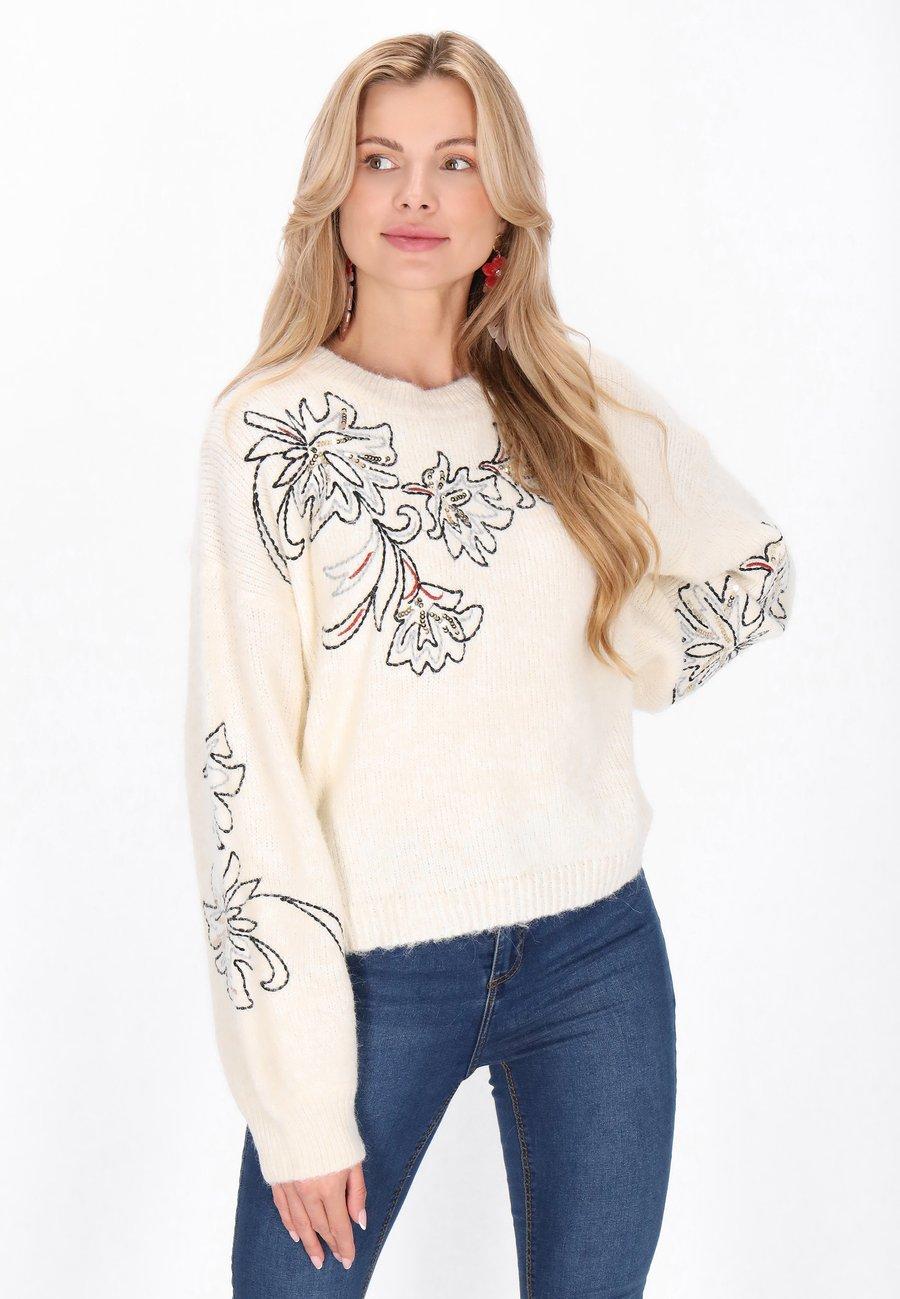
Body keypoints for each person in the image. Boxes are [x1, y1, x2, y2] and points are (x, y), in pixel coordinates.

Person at [184, 31, 795, 1299]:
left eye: (456, 161)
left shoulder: (571, 394)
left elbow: (754, 570)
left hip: (595, 957)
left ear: (503, 197)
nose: (416, 195)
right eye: (381, 160)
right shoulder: (271, 428)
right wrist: (299, 1102)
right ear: (335, 193)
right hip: (375, 977)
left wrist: (619, 644)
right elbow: (243, 771)